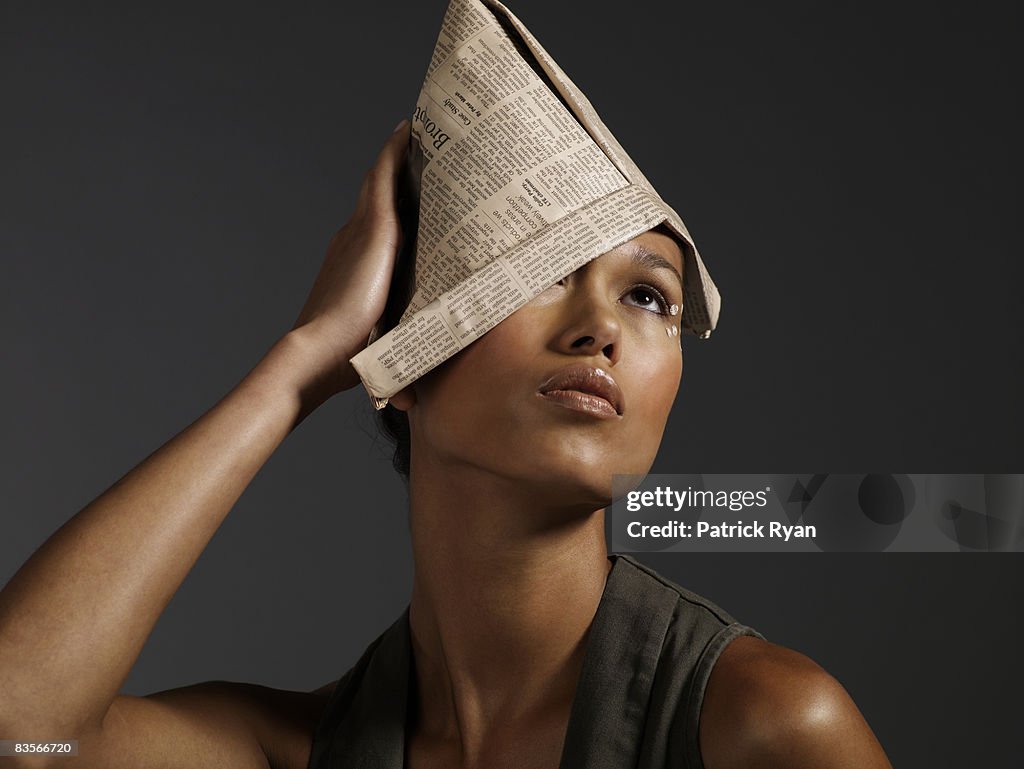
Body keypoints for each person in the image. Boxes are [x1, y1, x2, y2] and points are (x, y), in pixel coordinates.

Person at [0, 122, 893, 769]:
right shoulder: (298, 748)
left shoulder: (764, 723)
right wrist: (303, 363)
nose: (601, 329)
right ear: (411, 353)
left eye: (649, 296)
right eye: (538, 272)